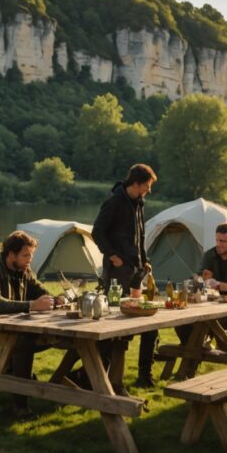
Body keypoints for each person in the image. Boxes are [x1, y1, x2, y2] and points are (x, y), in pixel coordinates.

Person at [0, 230, 65, 419]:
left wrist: (56, 300)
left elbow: (40, 291)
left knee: (56, 339)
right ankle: (20, 406)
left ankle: (66, 383)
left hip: (10, 331)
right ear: (11, 255)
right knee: (22, 345)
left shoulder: (23, 270)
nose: (30, 260)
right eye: (26, 255)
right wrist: (32, 305)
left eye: (31, 255)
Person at [91, 163, 158, 388]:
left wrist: (145, 259)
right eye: (147, 186)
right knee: (114, 329)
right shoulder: (114, 203)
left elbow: (140, 236)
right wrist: (112, 255)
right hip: (118, 273)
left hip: (137, 272)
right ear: (136, 183)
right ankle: (101, 378)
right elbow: (97, 232)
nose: (148, 191)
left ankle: (144, 376)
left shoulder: (138, 204)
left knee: (149, 322)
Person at [175, 222, 227, 347]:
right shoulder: (210, 254)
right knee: (180, 324)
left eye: (223, 241)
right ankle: (195, 351)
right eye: (217, 240)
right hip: (208, 304)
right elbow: (198, 278)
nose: (218, 244)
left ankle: (218, 347)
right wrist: (199, 279)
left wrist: (223, 285)